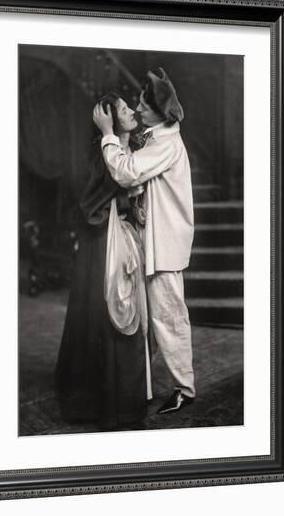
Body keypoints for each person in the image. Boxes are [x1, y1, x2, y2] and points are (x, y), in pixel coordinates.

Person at [93, 68, 196, 414]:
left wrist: (108, 135)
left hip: (164, 244)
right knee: (160, 317)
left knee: (168, 317)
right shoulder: (158, 137)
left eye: (141, 104)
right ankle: (150, 384)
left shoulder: (166, 142)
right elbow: (141, 183)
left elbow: (126, 172)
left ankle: (185, 388)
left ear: (157, 111)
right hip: (157, 238)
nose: (136, 109)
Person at [56, 92, 151, 431]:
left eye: (129, 107)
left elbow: (130, 189)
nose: (132, 111)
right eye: (124, 109)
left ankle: (129, 396)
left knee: (132, 311)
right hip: (104, 244)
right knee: (106, 313)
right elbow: (91, 201)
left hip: (127, 239)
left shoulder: (136, 151)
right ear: (109, 119)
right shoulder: (101, 155)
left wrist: (136, 210)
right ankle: (106, 400)